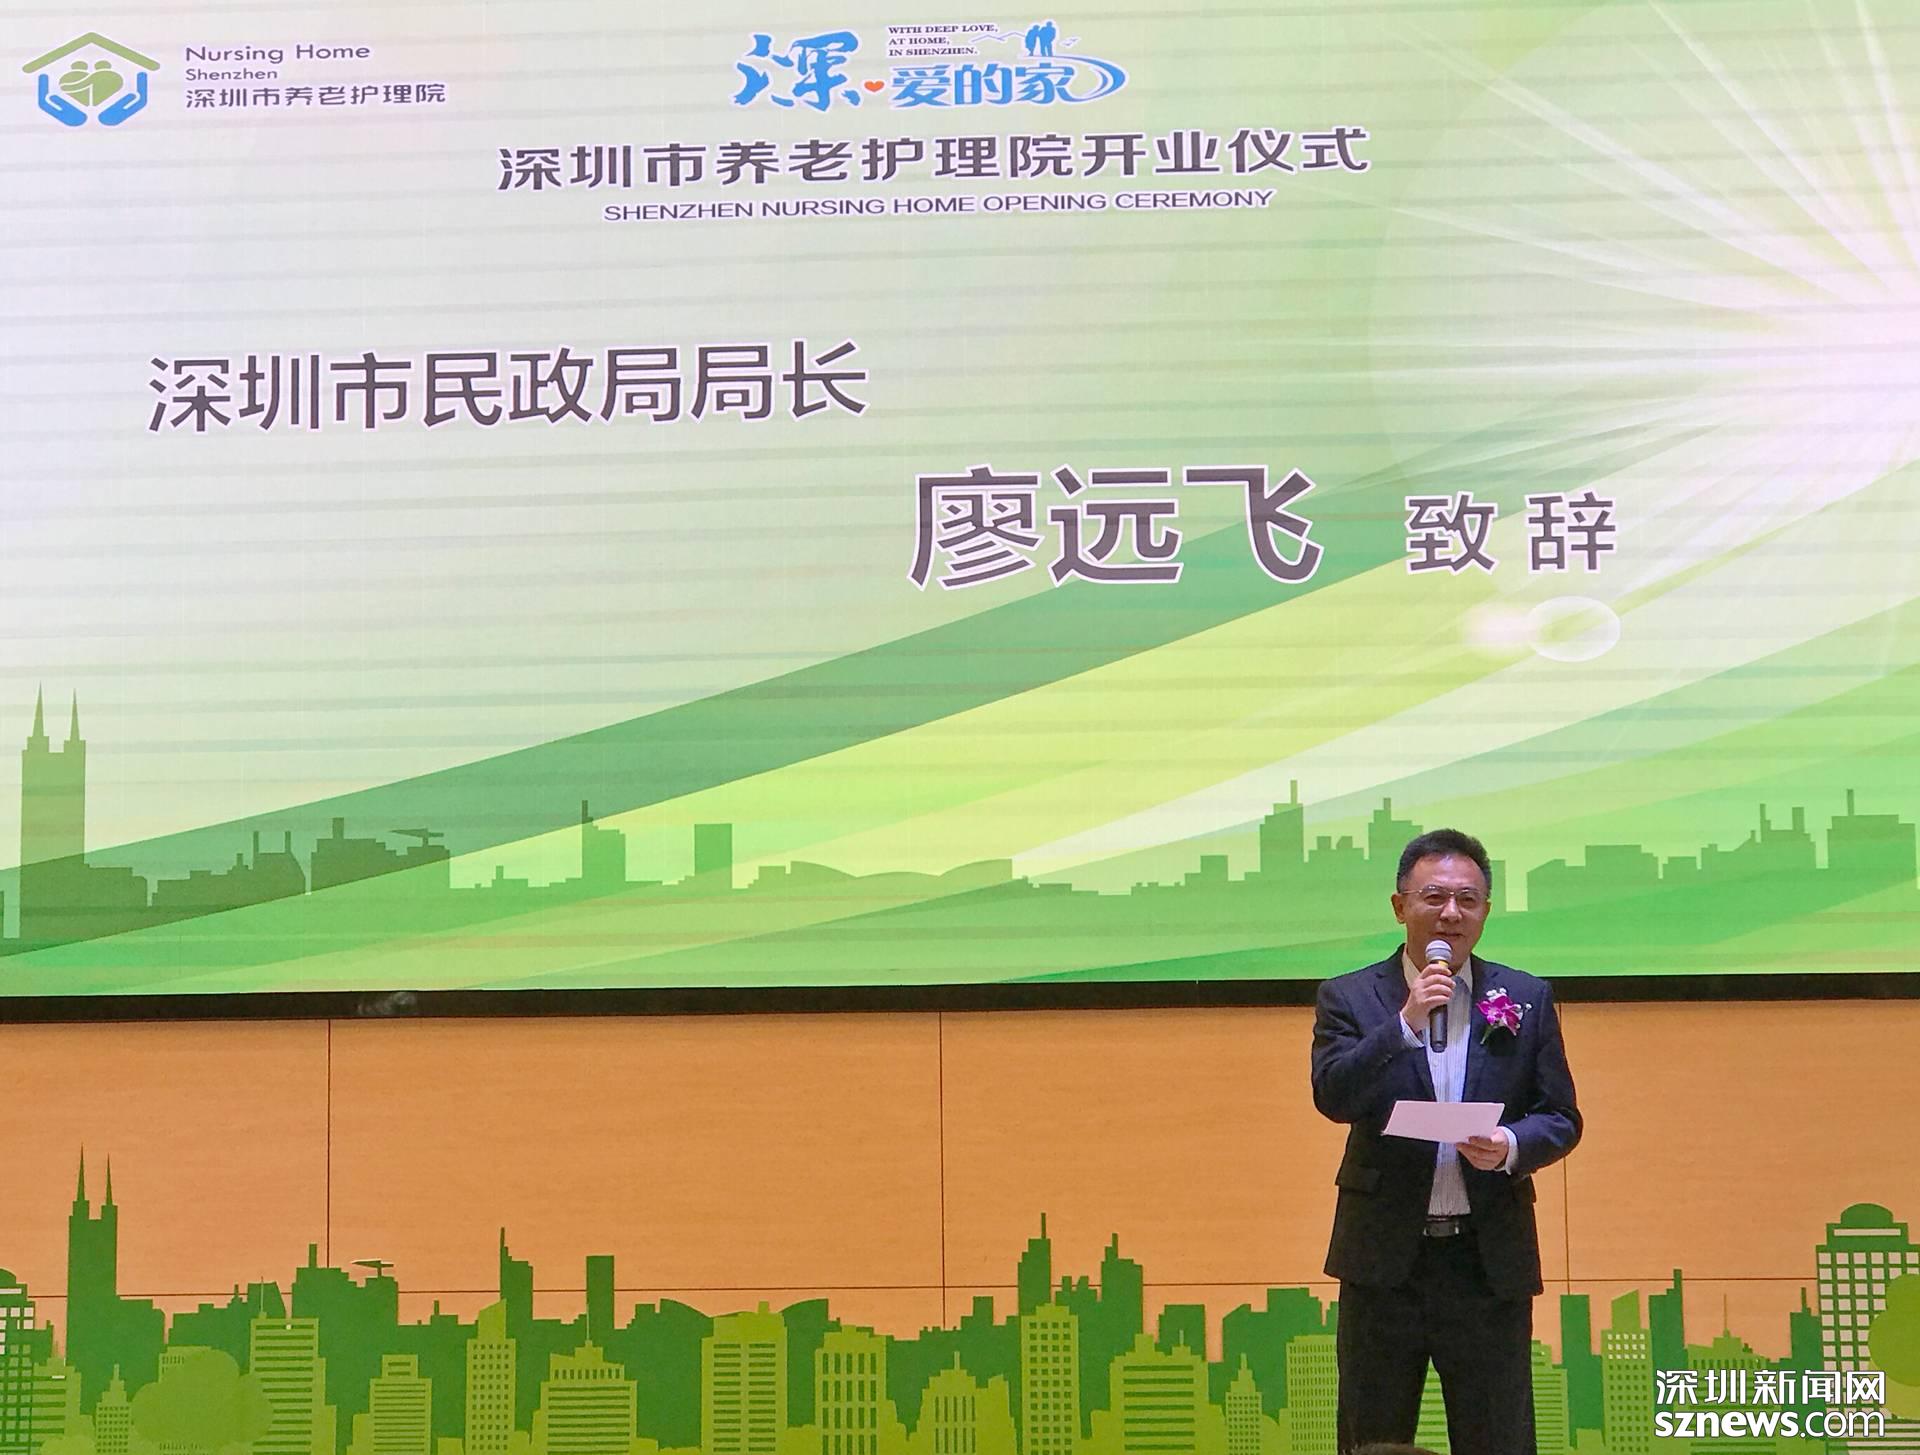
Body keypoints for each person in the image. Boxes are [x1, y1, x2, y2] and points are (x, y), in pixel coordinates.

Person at [1310, 828, 1581, 1455]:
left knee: (1499, 1437)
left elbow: (1561, 1116)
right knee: (1372, 1438)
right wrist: (1403, 1024)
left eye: (1468, 899)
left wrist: (1510, 1144)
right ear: (1400, 906)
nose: (1451, 913)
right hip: (1384, 1263)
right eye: (1434, 897)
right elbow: (1333, 1095)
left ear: (1485, 911)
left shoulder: (1525, 996)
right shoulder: (1349, 997)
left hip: (1486, 1261)